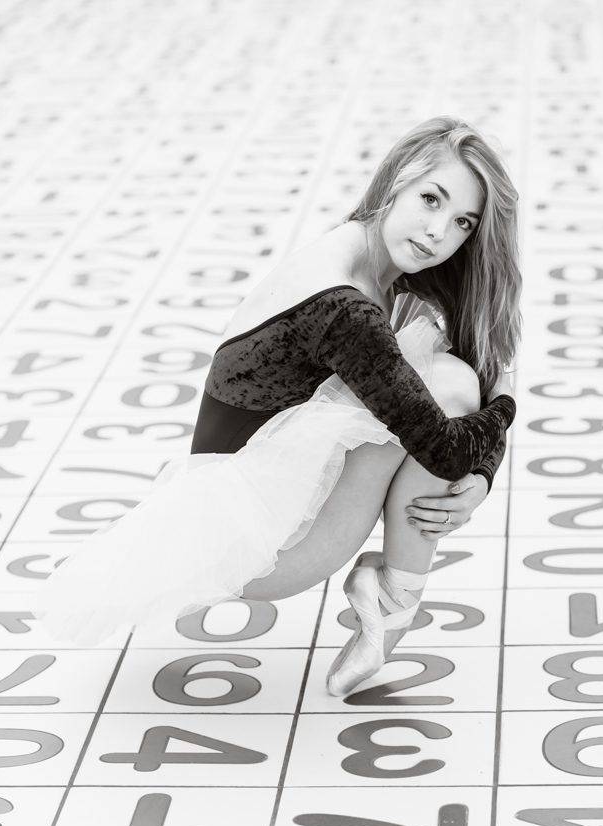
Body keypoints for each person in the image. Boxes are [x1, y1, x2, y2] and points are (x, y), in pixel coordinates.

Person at [30, 115, 521, 697]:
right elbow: (445, 447)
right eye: (430, 199)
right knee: (454, 389)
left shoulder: (366, 256)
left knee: (455, 377)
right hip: (267, 548)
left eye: (462, 222)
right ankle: (396, 601)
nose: (439, 232)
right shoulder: (345, 306)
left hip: (253, 511)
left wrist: (482, 474)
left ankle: (389, 594)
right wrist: (501, 416)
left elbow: (483, 378)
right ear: (396, 180)